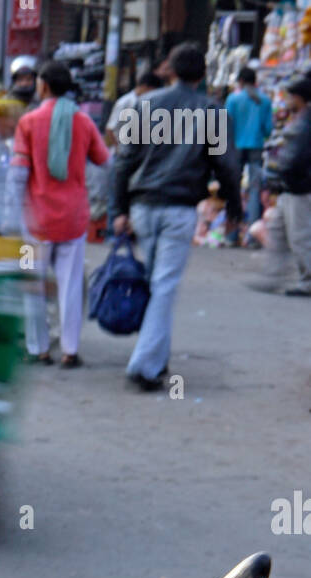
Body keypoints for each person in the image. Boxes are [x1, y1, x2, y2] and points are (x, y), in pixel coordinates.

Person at [109, 42, 241, 390]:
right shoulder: (212, 112)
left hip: (143, 207)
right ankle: (144, 366)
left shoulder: (143, 105)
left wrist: (118, 210)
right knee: (164, 286)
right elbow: (227, 166)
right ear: (202, 74)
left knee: (157, 284)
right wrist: (234, 209)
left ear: (171, 70)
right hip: (179, 209)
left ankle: (157, 358)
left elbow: (123, 161)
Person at [5, 59, 108, 368]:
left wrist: (9, 218)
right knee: (71, 286)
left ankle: (38, 348)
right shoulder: (85, 122)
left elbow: (18, 174)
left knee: (31, 287)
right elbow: (104, 161)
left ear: (44, 86)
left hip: (32, 223)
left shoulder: (28, 122)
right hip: (74, 220)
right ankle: (70, 350)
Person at [254, 75, 311, 295]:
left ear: (300, 97)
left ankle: (307, 282)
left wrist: (285, 175)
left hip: (299, 187)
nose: (288, 100)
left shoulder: (307, 121)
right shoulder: (300, 118)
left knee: (300, 236)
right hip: (289, 186)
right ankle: (272, 276)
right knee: (277, 231)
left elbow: (298, 157)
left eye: (291, 96)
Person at [226, 66, 273, 240]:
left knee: (233, 190)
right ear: (255, 81)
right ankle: (252, 237)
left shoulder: (233, 99)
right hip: (256, 148)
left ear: (240, 81)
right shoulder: (265, 101)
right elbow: (268, 130)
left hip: (235, 148)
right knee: (254, 190)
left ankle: (231, 236)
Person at [105, 65, 159, 148]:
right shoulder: (125, 102)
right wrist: (118, 149)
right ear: (145, 86)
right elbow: (110, 128)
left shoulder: (145, 101)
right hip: (123, 150)